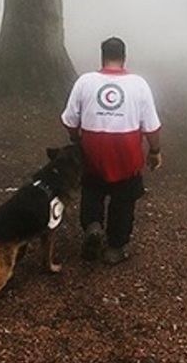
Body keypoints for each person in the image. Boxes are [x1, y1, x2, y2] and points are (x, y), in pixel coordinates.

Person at [60, 36, 162, 265]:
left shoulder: (85, 81)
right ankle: (116, 246)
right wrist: (155, 150)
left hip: (93, 153)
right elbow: (151, 127)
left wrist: (76, 139)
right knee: (124, 201)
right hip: (126, 156)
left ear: (102, 57)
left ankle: (93, 225)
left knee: (92, 192)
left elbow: (69, 120)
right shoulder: (139, 84)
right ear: (124, 58)